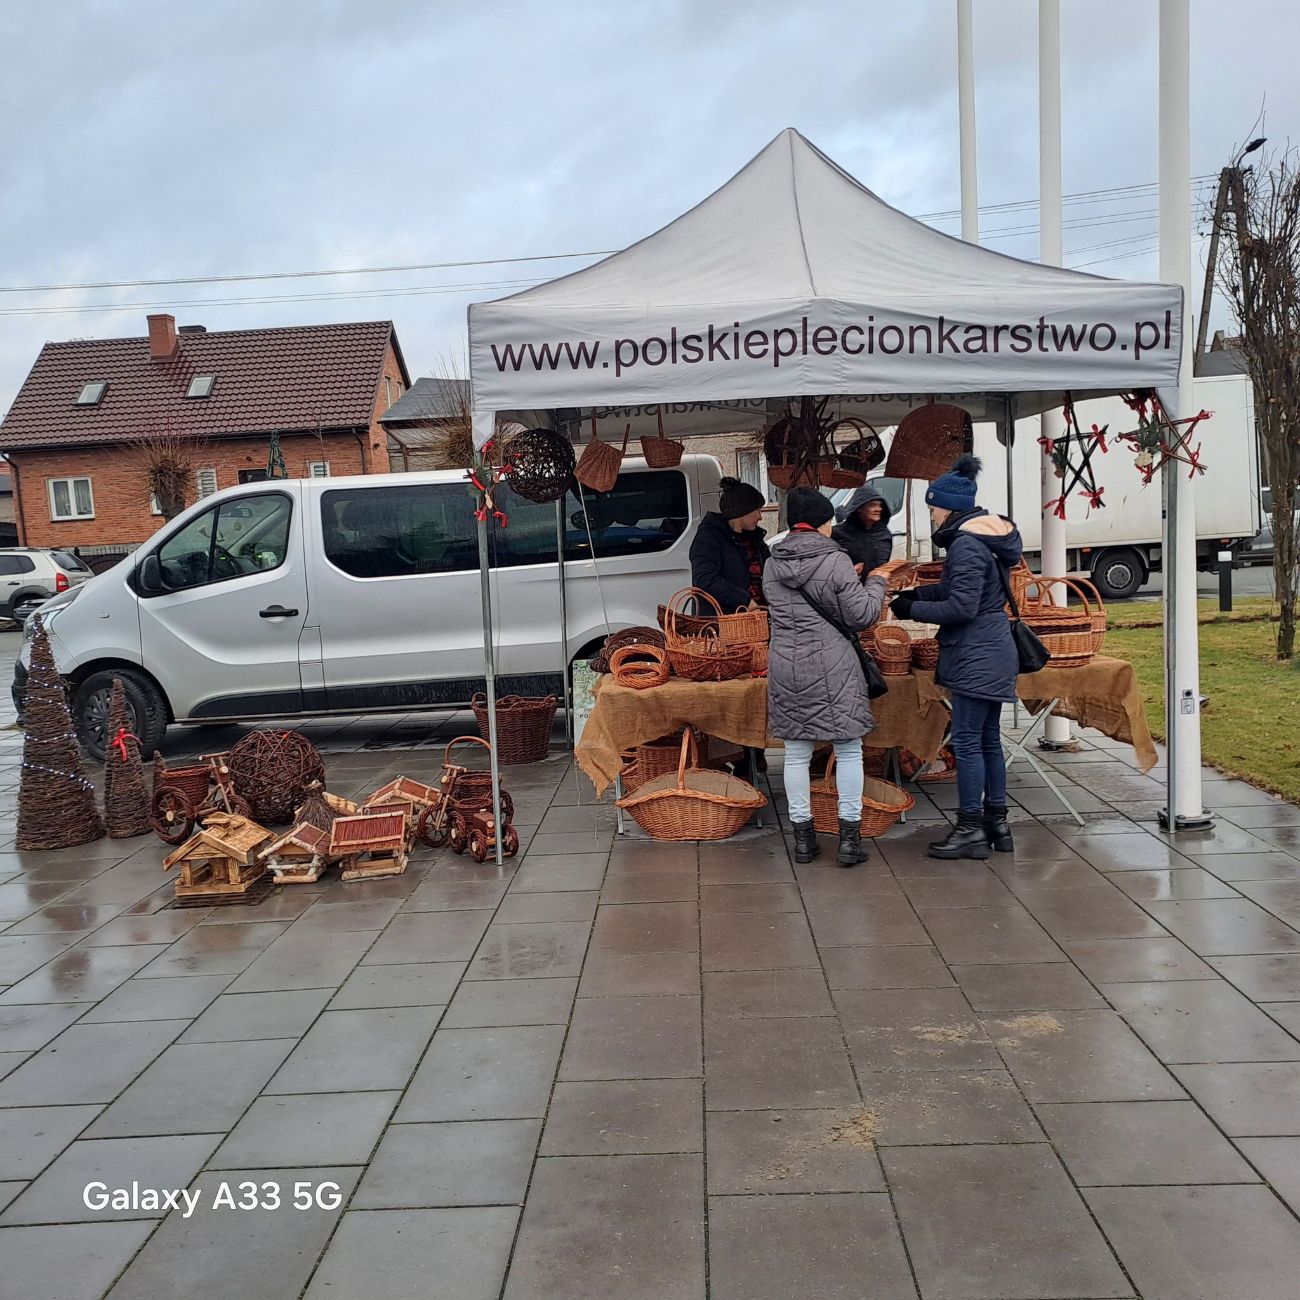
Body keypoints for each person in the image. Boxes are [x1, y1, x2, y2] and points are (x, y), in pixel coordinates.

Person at [890, 455, 1023, 860]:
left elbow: (962, 607)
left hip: (976, 652)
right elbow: (962, 592)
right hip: (993, 647)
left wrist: (913, 611)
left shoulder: (966, 544)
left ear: (948, 505)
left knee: (966, 742)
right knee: (987, 741)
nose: (930, 512)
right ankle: (997, 824)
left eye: (933, 505)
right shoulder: (984, 539)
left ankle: (969, 830)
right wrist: (914, 595)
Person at [764, 487, 890, 867]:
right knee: (848, 748)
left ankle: (803, 841)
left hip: (786, 665)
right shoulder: (835, 560)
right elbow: (863, 615)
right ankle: (849, 841)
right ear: (822, 523)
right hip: (833, 665)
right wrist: (877, 581)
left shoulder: (772, 563)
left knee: (797, 753)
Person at [689, 477, 769, 612]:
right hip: (723, 623)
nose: (760, 517)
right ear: (742, 511)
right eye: (757, 510)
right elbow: (704, 579)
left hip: (756, 620)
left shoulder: (755, 538)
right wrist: (745, 601)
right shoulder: (709, 537)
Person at [832, 483, 894, 575]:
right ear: (859, 508)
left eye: (880, 505)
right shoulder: (839, 533)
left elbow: (884, 566)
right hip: (850, 587)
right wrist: (851, 571)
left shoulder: (885, 535)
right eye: (873, 505)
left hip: (877, 587)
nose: (878, 509)